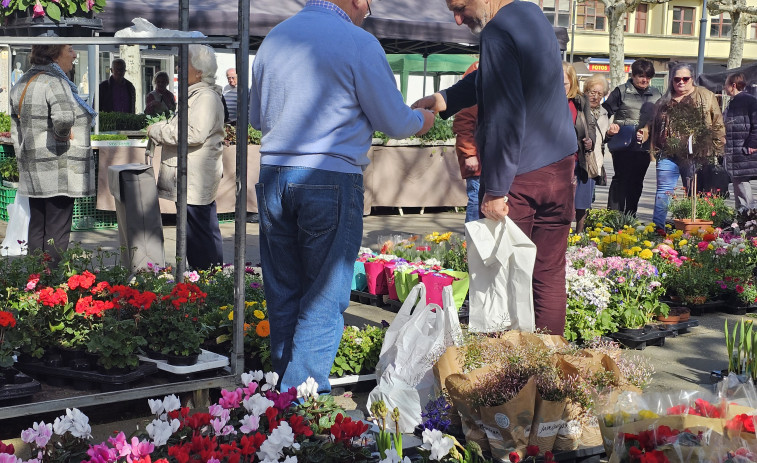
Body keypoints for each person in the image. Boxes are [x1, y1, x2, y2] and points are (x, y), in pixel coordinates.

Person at [249, 0, 435, 393]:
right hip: (329, 177)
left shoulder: (275, 38)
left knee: (283, 293)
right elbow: (395, 120)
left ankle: (282, 404)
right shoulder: (358, 42)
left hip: (274, 174)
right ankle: (298, 410)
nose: (369, 9)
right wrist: (424, 120)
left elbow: (255, 117)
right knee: (322, 299)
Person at [412, 0, 577, 335]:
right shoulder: (531, 13)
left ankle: (511, 374)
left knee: (502, 277)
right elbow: (492, 79)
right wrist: (445, 100)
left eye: (460, 7)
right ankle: (550, 373)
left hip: (521, 173)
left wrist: (497, 189)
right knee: (548, 273)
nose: (458, 20)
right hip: (560, 165)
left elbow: (505, 115)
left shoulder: (498, 30)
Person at [9, 45, 97, 267]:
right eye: (69, 49)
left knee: (37, 226)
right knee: (57, 229)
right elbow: (64, 117)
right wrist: (62, 136)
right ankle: (52, 282)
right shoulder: (54, 81)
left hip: (33, 166)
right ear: (53, 53)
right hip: (59, 167)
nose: (74, 54)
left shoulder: (21, 84)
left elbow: (15, 129)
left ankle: (34, 279)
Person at [147, 45, 225, 270]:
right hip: (192, 176)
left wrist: (156, 131)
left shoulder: (206, 97)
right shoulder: (198, 94)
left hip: (195, 177)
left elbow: (193, 133)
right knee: (199, 232)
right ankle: (207, 280)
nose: (180, 68)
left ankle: (208, 282)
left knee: (200, 234)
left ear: (199, 71)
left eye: (185, 63)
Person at [648, 62, 725, 229]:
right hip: (667, 154)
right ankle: (658, 229)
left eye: (685, 78)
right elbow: (653, 125)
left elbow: (718, 123)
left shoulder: (706, 95)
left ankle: (689, 230)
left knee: (693, 193)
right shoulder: (664, 100)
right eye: (677, 79)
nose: (681, 82)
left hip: (695, 155)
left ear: (692, 79)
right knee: (664, 192)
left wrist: (717, 149)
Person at [602, 59, 661, 216]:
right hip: (623, 144)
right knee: (621, 179)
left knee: (637, 181)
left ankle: (630, 216)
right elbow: (604, 112)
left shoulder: (656, 94)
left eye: (648, 77)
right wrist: (609, 129)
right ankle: (613, 216)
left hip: (644, 146)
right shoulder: (621, 91)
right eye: (640, 76)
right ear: (632, 75)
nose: (644, 80)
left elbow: (661, 118)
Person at [563, 62, 596, 233]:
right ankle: (562, 233)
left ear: (573, 82)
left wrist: (591, 141)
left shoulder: (581, 100)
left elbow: (590, 124)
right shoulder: (548, 99)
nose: (560, 87)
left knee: (582, 198)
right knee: (563, 200)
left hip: (579, 156)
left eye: (564, 84)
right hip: (558, 159)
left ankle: (579, 234)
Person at [452, 61, 481, 223]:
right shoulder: (477, 77)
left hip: (488, 157)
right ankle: (472, 242)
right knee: (477, 199)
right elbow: (463, 121)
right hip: (478, 158)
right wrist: (470, 153)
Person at [723, 72, 757, 210]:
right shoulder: (735, 102)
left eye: (726, 84)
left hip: (742, 150)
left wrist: (753, 143)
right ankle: (743, 218)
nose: (724, 88)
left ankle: (748, 218)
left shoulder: (748, 101)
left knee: (742, 183)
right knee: (739, 183)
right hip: (736, 150)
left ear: (733, 85)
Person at [584, 73, 619, 194]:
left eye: (599, 94)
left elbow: (603, 140)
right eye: (592, 92)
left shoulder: (604, 113)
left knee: (588, 200)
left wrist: (609, 134)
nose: (595, 97)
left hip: (595, 163)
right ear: (586, 91)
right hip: (579, 161)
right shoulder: (579, 109)